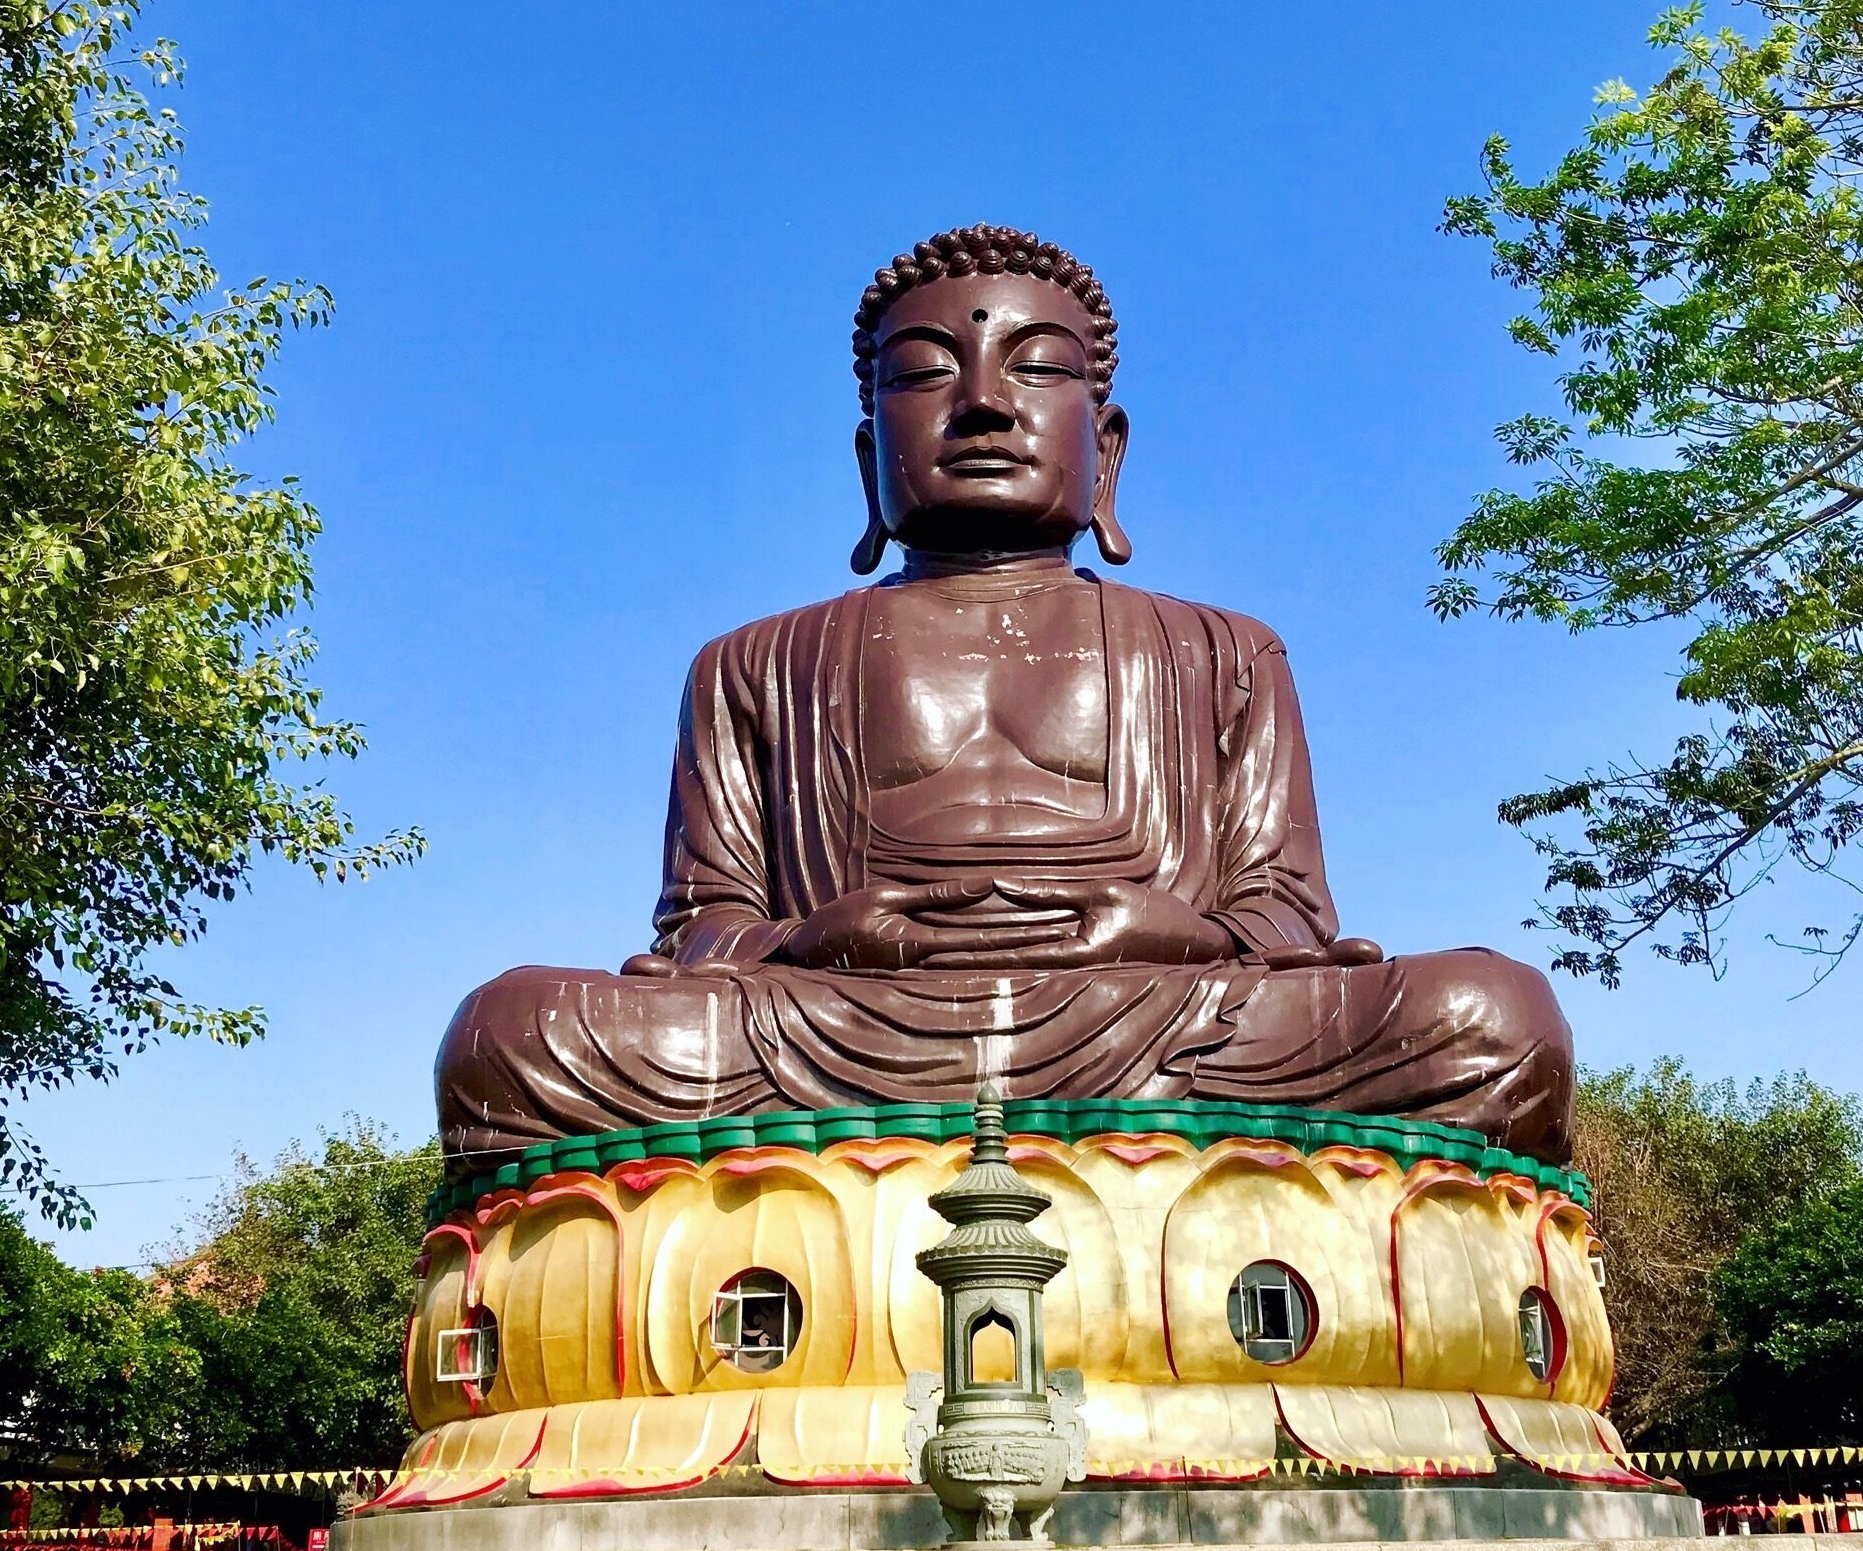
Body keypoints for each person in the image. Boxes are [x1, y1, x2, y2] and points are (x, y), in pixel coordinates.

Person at [438, 226, 1573, 1165]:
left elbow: (1284, 918)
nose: (983, 403)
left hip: (1155, 1021)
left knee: (1493, 1020)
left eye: (1036, 367)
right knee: (512, 1032)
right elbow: (705, 933)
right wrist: (819, 940)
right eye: (925, 371)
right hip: (842, 1034)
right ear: (866, 454)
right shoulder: (753, 665)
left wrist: (1173, 934)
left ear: (1107, 444)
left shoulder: (1221, 651)